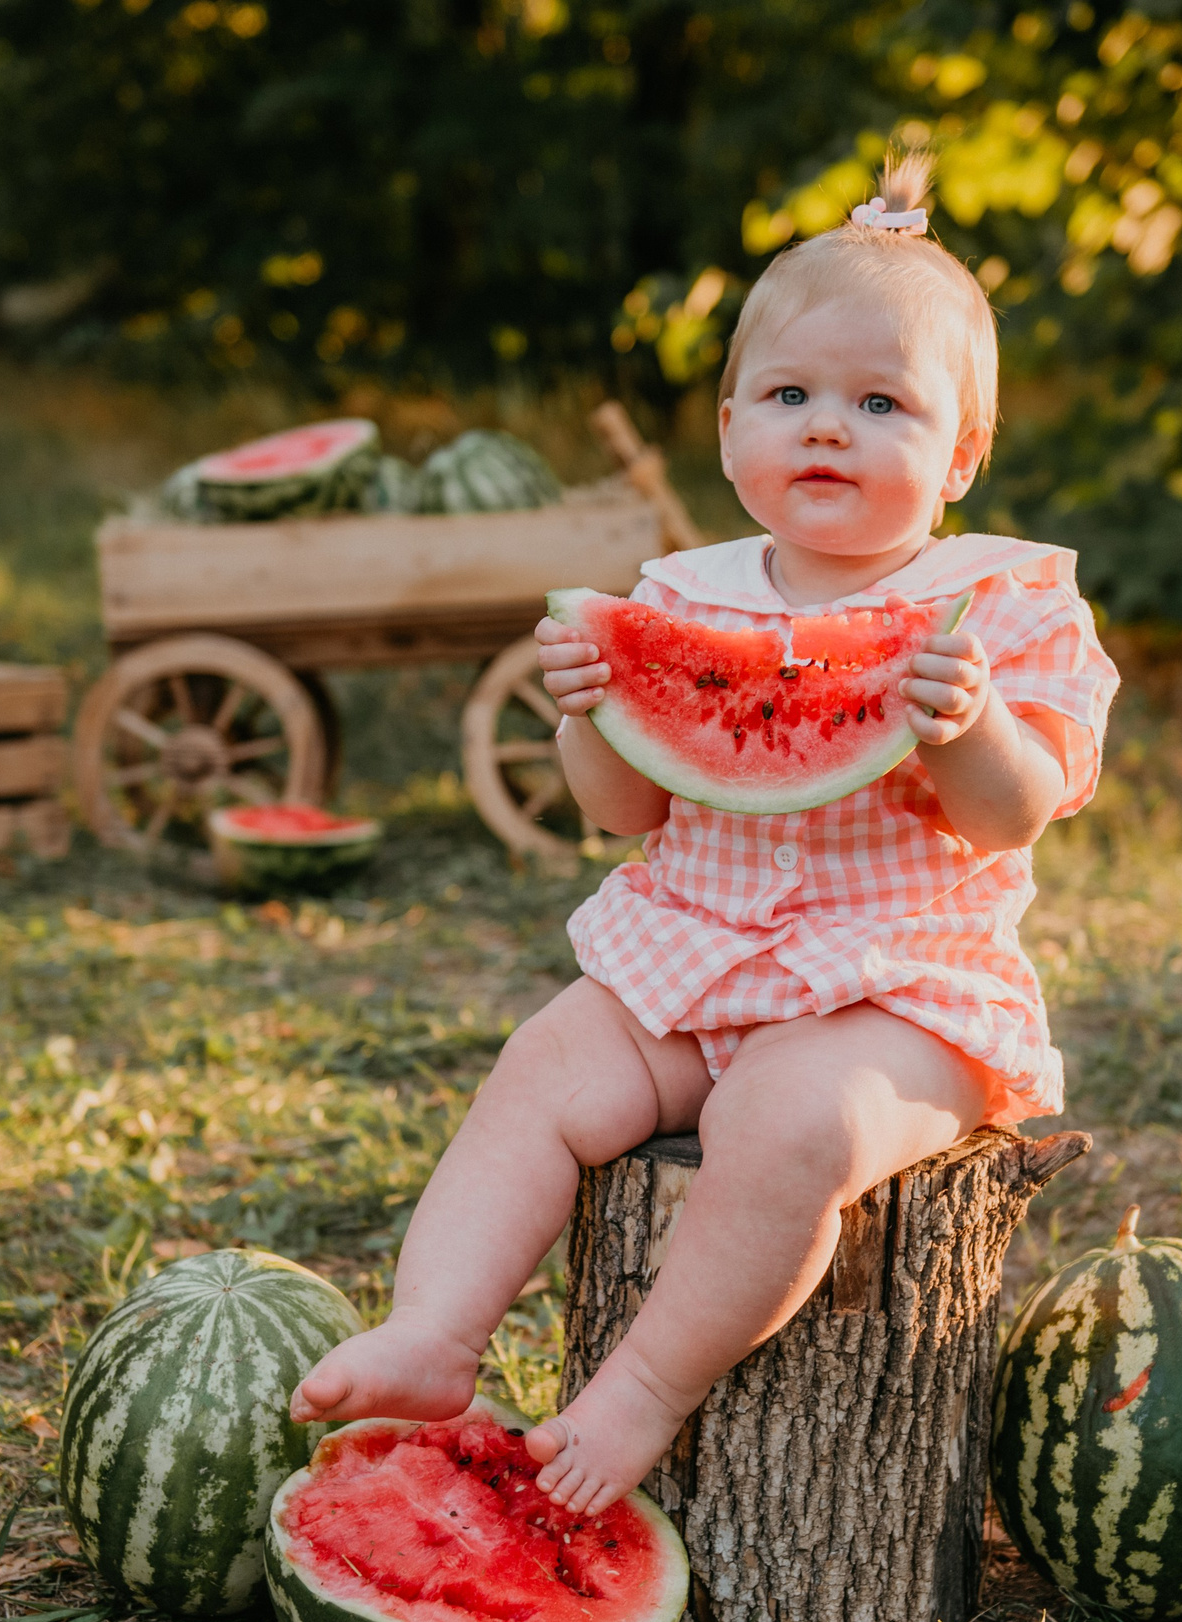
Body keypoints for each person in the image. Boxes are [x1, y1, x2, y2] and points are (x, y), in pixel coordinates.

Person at [293, 152, 1119, 1515]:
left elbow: (1012, 809)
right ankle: (433, 1331)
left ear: (961, 453)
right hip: (689, 960)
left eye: (880, 403)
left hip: (901, 992)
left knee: (789, 1129)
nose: (828, 429)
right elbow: (625, 812)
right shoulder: (683, 595)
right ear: (731, 422)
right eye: (789, 396)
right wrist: (586, 718)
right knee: (544, 1066)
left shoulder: (1006, 602)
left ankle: (643, 1391)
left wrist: (968, 723)